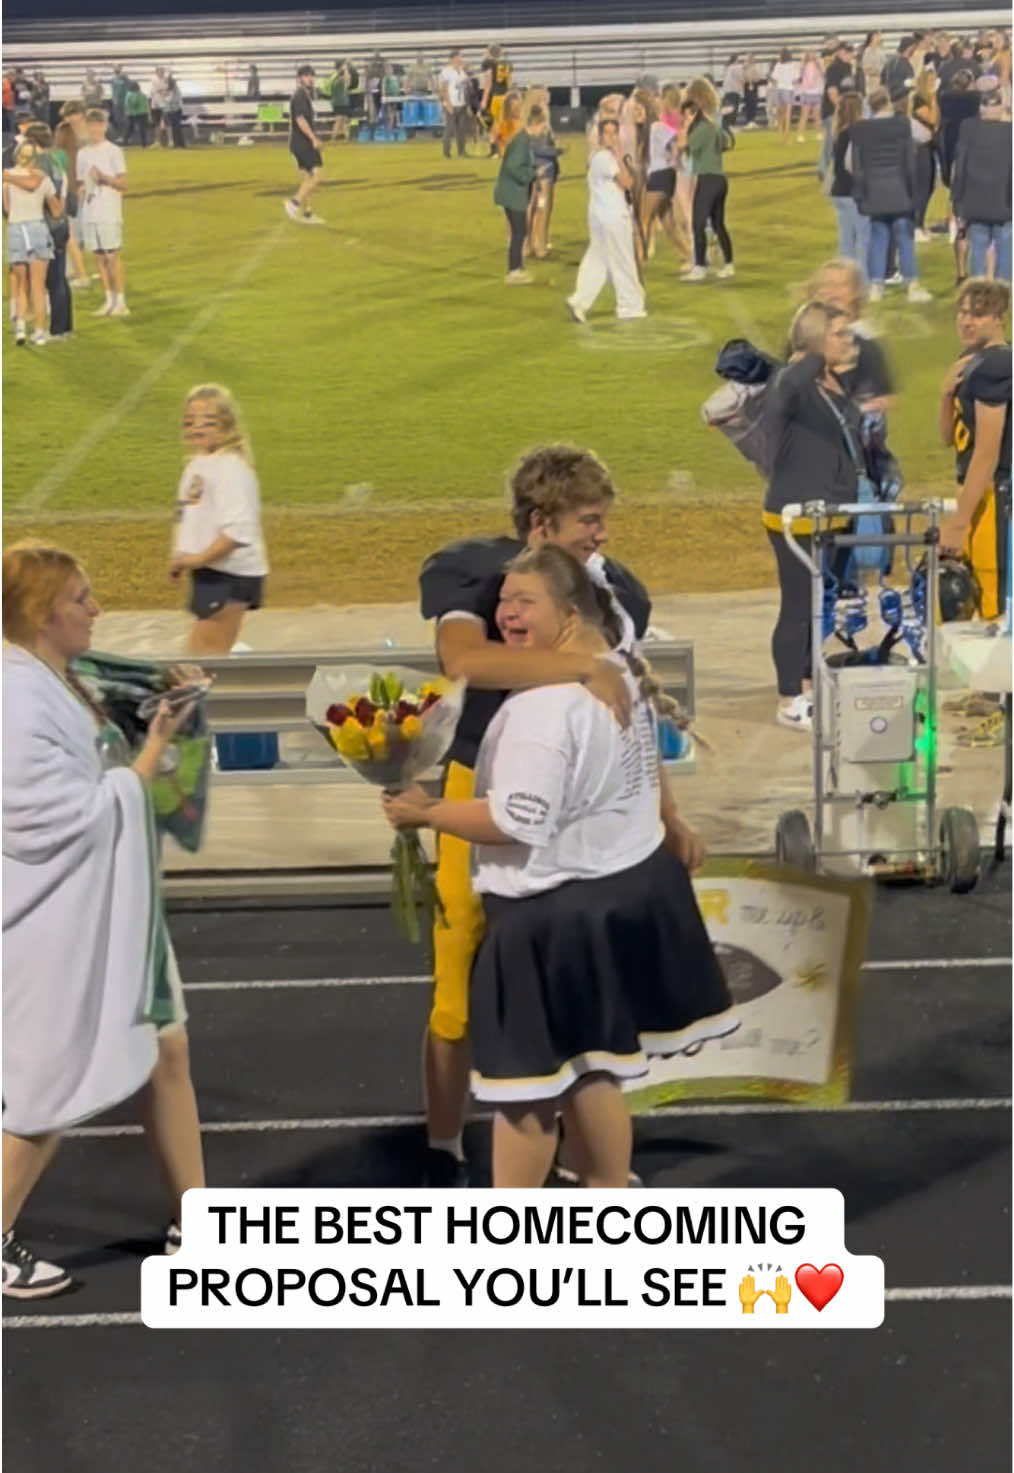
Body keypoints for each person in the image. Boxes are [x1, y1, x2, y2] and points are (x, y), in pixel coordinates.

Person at [385, 544, 734, 1189]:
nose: (506, 615)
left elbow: (517, 819)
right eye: (502, 603)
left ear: (568, 613)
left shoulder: (542, 712)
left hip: (550, 918)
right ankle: (609, 1193)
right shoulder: (613, 670)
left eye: (525, 603)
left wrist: (424, 814)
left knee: (523, 1094)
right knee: (590, 1067)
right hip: (614, 890)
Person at [415, 444, 656, 1186]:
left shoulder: (615, 593)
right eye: (589, 519)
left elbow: (632, 703)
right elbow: (467, 660)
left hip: (583, 807)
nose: (601, 535)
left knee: (577, 987)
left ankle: (585, 1162)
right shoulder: (481, 574)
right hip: (485, 779)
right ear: (541, 522)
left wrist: (664, 813)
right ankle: (445, 1146)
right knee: (458, 988)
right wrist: (583, 665)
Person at [2, 542, 206, 1298]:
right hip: (59, 923)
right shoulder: (15, 699)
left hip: (109, 911)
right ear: (40, 612)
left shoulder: (54, 679)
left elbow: (91, 760)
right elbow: (46, 817)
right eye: (81, 598)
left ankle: (197, 1215)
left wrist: (157, 721)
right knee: (49, 1085)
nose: (95, 609)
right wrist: (148, 762)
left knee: (168, 1047)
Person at [763, 302, 865, 730]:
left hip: (830, 513)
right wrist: (816, 348)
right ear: (818, 338)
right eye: (839, 334)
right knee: (798, 606)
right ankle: (789, 698)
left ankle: (806, 681)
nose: (849, 341)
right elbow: (792, 383)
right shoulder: (793, 380)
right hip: (797, 515)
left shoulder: (829, 384)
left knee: (817, 604)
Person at [169, 384, 268, 655]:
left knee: (203, 661)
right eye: (189, 422)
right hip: (210, 570)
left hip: (229, 574)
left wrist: (193, 560)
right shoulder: (198, 464)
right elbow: (188, 515)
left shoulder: (230, 469)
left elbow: (237, 533)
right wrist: (181, 557)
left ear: (227, 424)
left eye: (208, 422)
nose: (196, 428)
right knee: (205, 658)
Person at [939, 279, 1012, 622]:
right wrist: (944, 395)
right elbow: (949, 438)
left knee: (991, 599)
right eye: (963, 312)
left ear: (999, 317)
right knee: (971, 599)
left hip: (994, 492)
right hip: (972, 487)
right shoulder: (969, 360)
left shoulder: (997, 366)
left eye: (978, 314)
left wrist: (959, 523)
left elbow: (987, 453)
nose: (967, 321)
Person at [850, 87, 931, 302]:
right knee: (904, 237)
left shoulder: (861, 129)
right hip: (901, 188)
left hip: (874, 191)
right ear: (887, 103)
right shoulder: (903, 123)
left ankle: (876, 286)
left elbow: (849, 163)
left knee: (878, 237)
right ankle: (911, 285)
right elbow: (926, 136)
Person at [567, 116, 644, 322]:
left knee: (598, 260)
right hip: (613, 216)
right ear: (601, 136)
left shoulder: (595, 157)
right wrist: (621, 158)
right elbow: (627, 183)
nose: (611, 137)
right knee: (623, 260)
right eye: (607, 133)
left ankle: (579, 301)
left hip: (600, 216)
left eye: (614, 133)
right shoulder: (605, 158)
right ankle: (630, 306)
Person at [951, 82, 1012, 281]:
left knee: (978, 247)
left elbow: (960, 166)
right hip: (1004, 200)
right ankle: (1001, 292)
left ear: (981, 109)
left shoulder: (968, 129)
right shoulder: (1009, 132)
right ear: (1002, 107)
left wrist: (957, 200)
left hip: (975, 199)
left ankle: (978, 290)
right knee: (1005, 248)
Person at [3, 140, 62, 346]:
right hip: (36, 228)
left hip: (15, 228)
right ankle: (39, 332)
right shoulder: (41, 178)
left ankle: (20, 329)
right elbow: (56, 212)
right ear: (34, 158)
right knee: (38, 285)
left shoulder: (6, 178)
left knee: (20, 284)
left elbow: (7, 208)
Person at [76, 107, 128, 318]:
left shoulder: (113, 151)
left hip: (109, 211)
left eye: (98, 126)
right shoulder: (82, 153)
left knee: (112, 256)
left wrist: (104, 178)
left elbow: (123, 183)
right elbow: (81, 182)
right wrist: (83, 190)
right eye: (91, 126)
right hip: (90, 211)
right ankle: (108, 300)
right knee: (98, 257)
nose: (95, 130)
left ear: (104, 127)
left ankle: (121, 302)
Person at [682, 77, 734, 282]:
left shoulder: (701, 127)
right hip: (721, 179)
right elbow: (725, 143)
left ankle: (700, 267)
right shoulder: (714, 125)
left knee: (697, 224)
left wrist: (686, 129)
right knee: (719, 224)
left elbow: (688, 148)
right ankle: (729, 265)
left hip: (707, 179)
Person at [642, 87, 690, 265]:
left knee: (644, 219)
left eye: (660, 98)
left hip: (660, 175)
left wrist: (675, 154)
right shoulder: (660, 124)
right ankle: (690, 256)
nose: (656, 101)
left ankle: (639, 259)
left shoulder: (664, 126)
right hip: (662, 173)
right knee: (667, 222)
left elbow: (677, 145)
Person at [493, 100, 536, 284]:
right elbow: (513, 167)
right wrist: (531, 174)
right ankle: (513, 270)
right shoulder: (522, 138)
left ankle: (517, 267)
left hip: (508, 191)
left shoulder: (522, 137)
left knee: (519, 231)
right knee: (519, 231)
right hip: (512, 192)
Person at [829, 93, 869, 270]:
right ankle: (862, 280)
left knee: (845, 240)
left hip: (838, 191)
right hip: (853, 192)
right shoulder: (857, 132)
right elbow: (850, 164)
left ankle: (846, 279)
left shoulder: (839, 132)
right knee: (863, 236)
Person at [285, 64, 324, 227]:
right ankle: (294, 203)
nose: (310, 78)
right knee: (318, 176)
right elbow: (300, 120)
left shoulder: (303, 95)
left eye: (312, 75)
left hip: (297, 143)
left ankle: (308, 213)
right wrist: (313, 138)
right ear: (300, 78)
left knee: (307, 179)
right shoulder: (300, 96)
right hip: (303, 143)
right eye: (307, 76)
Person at [909, 69, 940, 240]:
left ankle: (920, 224)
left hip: (929, 146)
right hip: (919, 147)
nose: (933, 83)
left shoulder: (930, 99)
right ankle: (915, 226)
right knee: (922, 186)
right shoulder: (919, 99)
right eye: (930, 81)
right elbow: (933, 120)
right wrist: (934, 98)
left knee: (929, 186)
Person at [820, 41, 857, 177]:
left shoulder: (848, 67)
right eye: (849, 52)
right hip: (833, 111)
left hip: (846, 110)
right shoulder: (833, 68)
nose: (851, 54)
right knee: (831, 141)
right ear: (841, 52)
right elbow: (832, 92)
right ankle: (824, 169)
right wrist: (840, 110)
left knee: (841, 141)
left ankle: (837, 168)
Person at [438, 51, 469, 158]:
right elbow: (443, 89)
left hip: (461, 103)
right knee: (450, 129)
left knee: (462, 129)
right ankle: (446, 151)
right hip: (451, 103)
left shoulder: (462, 71)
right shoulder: (446, 71)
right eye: (458, 57)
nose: (460, 59)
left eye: (461, 57)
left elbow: (465, 87)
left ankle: (462, 151)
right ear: (452, 59)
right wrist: (448, 103)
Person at [481, 44, 512, 147]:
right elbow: (509, 81)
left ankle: (495, 150)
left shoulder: (488, 63)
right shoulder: (505, 64)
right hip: (505, 95)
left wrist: (484, 99)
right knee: (504, 122)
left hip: (495, 96)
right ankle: (505, 146)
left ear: (489, 52)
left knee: (494, 123)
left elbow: (488, 82)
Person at [770, 50, 799, 142]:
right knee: (787, 113)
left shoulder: (778, 65)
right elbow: (796, 78)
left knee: (780, 113)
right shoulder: (793, 65)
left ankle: (781, 134)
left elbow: (774, 79)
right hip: (789, 89)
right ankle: (786, 135)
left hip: (779, 89)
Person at [798, 52, 824, 141]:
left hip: (816, 92)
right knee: (804, 115)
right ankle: (800, 134)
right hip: (807, 93)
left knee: (817, 115)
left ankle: (819, 133)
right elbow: (800, 73)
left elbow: (823, 72)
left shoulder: (818, 65)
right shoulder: (804, 65)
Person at [123, 80, 150, 148]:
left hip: (132, 114)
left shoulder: (129, 94)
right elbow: (146, 104)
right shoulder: (142, 94)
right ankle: (144, 144)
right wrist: (148, 114)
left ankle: (125, 142)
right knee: (142, 129)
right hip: (142, 113)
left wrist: (127, 112)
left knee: (130, 128)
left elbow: (128, 104)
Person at [149, 67, 171, 147]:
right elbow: (156, 91)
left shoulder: (166, 80)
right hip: (155, 105)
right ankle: (157, 141)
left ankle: (170, 140)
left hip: (164, 105)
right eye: (160, 72)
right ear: (156, 72)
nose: (161, 73)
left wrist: (163, 91)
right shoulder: (154, 80)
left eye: (162, 71)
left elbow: (167, 91)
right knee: (157, 124)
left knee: (167, 124)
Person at [859, 32, 885, 96]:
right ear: (871, 39)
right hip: (873, 83)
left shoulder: (880, 51)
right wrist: (878, 73)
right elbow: (866, 69)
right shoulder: (868, 51)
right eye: (877, 37)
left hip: (880, 82)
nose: (879, 39)